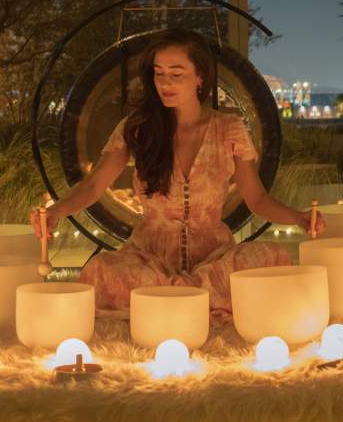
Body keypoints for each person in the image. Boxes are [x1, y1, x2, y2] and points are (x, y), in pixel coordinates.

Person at [31, 28, 325, 313]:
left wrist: (299, 218)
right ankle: (197, 299)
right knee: (102, 270)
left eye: (176, 73)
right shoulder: (137, 129)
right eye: (159, 73)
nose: (165, 83)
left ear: (200, 77)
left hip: (214, 260)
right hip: (150, 261)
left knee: (269, 257)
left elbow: (257, 199)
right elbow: (93, 186)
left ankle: (171, 300)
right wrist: (56, 211)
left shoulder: (229, 129)